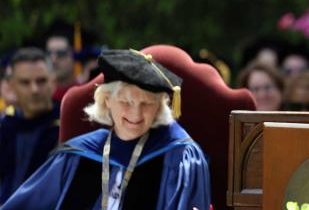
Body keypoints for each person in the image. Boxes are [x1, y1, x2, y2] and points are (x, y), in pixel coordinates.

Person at [3, 49, 211, 209]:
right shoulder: (79, 155)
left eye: (147, 104)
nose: (135, 114)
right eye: (125, 102)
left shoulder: (179, 157)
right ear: (107, 101)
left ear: (159, 108)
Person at [0, 48, 60, 204]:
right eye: (25, 82)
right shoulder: (6, 127)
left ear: (53, 82)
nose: (34, 90)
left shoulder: (67, 127)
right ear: (12, 86)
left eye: (41, 81)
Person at [46, 33, 80, 102]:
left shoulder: (86, 95)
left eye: (61, 53)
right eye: (49, 53)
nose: (53, 60)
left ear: (73, 56)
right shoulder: (40, 97)